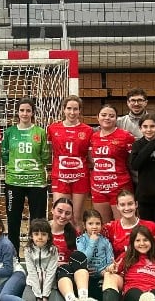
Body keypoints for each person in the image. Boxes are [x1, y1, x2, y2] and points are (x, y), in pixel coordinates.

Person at [1, 98, 51, 250]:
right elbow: (5, 156)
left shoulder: (40, 132)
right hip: (14, 181)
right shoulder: (9, 132)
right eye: (22, 110)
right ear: (17, 112)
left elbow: (45, 157)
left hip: (36, 182)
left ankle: (36, 252)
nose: (25, 113)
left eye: (28, 110)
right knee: (13, 220)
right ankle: (14, 255)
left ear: (33, 113)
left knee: (38, 221)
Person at [47, 95, 92, 227]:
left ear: (80, 111)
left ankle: (77, 241)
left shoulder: (88, 130)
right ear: (63, 109)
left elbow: (90, 157)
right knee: (60, 216)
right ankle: (59, 241)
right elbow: (48, 151)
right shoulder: (53, 128)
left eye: (75, 109)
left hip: (80, 177)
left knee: (76, 218)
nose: (72, 112)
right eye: (69, 108)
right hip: (60, 177)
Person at [89, 104, 135, 221]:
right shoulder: (92, 137)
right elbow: (91, 159)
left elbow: (133, 160)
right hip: (98, 187)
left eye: (111, 116)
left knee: (123, 224)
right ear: (97, 117)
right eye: (104, 115)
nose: (107, 118)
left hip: (119, 186)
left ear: (116, 118)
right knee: (103, 225)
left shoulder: (125, 136)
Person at [103, 190, 155, 259]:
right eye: (122, 205)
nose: (127, 208)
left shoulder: (151, 226)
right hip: (119, 265)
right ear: (117, 206)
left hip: (145, 264)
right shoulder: (110, 227)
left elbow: (154, 254)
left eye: (130, 204)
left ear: (136, 204)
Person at [71, 209, 113, 301]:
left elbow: (110, 260)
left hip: (101, 275)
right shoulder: (80, 240)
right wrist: (92, 242)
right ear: (84, 225)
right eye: (90, 223)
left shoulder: (105, 241)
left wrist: (106, 270)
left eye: (97, 223)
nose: (94, 227)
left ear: (101, 225)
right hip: (86, 276)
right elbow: (84, 259)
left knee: (107, 283)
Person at [19, 219, 58, 301]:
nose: (40, 237)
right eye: (36, 234)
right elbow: (32, 272)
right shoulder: (28, 250)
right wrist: (38, 296)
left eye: (44, 234)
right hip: (32, 284)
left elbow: (51, 272)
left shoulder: (53, 250)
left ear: (49, 236)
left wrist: (45, 295)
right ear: (31, 236)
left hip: (51, 284)